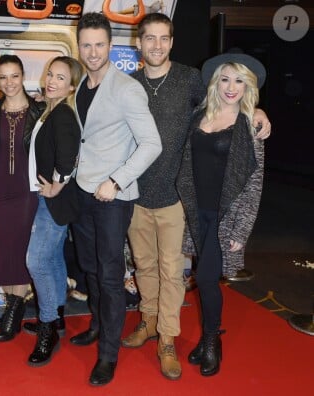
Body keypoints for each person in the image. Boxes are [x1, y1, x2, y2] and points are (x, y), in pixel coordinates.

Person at [122, 13, 272, 381]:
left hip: (182, 203)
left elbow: (252, 181)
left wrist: (260, 112)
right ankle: (150, 322)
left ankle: (177, 341)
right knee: (146, 268)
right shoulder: (132, 87)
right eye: (149, 39)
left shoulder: (191, 79)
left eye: (164, 38)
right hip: (153, 198)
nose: (156, 45)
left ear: (172, 41)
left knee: (183, 275)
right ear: (138, 44)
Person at [69, 12, 162, 386]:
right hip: (81, 191)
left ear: (111, 46)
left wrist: (116, 181)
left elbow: (152, 144)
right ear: (79, 47)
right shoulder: (79, 86)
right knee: (89, 268)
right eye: (87, 45)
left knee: (109, 277)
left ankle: (108, 354)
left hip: (112, 197)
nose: (93, 52)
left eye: (100, 45)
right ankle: (96, 325)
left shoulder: (126, 88)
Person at [176, 52, 266, 377]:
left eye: (239, 80)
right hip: (196, 212)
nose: (231, 87)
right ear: (216, 81)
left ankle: (212, 340)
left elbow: (254, 184)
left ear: (248, 86)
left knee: (205, 279)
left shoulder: (250, 125)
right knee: (205, 276)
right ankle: (206, 337)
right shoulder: (199, 115)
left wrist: (241, 232)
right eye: (226, 79)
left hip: (224, 217)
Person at [26, 56, 83, 367]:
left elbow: (68, 157)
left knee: (36, 261)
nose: (52, 81)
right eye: (51, 74)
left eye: (61, 78)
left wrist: (58, 185)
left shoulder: (62, 114)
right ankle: (57, 316)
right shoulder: (51, 110)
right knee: (54, 258)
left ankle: (48, 329)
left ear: (72, 86)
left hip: (54, 199)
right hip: (49, 198)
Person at [0, 54, 44, 342]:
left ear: (23, 76)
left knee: (21, 249)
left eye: (14, 76)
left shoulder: (39, 111)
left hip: (27, 191)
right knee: (3, 250)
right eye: (3, 77)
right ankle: (13, 307)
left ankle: (13, 313)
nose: (9, 83)